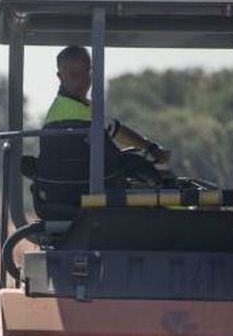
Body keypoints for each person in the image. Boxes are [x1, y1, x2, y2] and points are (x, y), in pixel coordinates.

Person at [31, 46, 170, 215]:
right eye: (74, 75)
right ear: (60, 77)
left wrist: (148, 146)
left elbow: (116, 130)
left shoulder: (64, 109)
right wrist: (151, 149)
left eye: (86, 73)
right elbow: (116, 132)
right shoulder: (77, 113)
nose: (81, 81)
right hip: (94, 194)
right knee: (162, 178)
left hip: (62, 195)